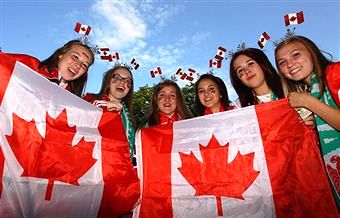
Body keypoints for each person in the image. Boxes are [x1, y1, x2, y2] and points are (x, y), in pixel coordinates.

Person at [274, 35, 340, 207]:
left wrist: (308, 102)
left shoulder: (336, 73)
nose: (289, 64)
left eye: (295, 55)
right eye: (282, 62)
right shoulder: (311, 91)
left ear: (311, 52)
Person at [83, 65, 136, 164]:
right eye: (117, 77)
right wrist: (103, 106)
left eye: (127, 81)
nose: (122, 82)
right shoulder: (89, 99)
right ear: (108, 82)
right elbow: (74, 116)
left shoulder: (129, 119)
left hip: (118, 170)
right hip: (90, 167)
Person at [3, 39, 94, 97]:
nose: (78, 65)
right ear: (61, 55)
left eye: (84, 65)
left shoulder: (74, 102)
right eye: (75, 57)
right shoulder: (29, 65)